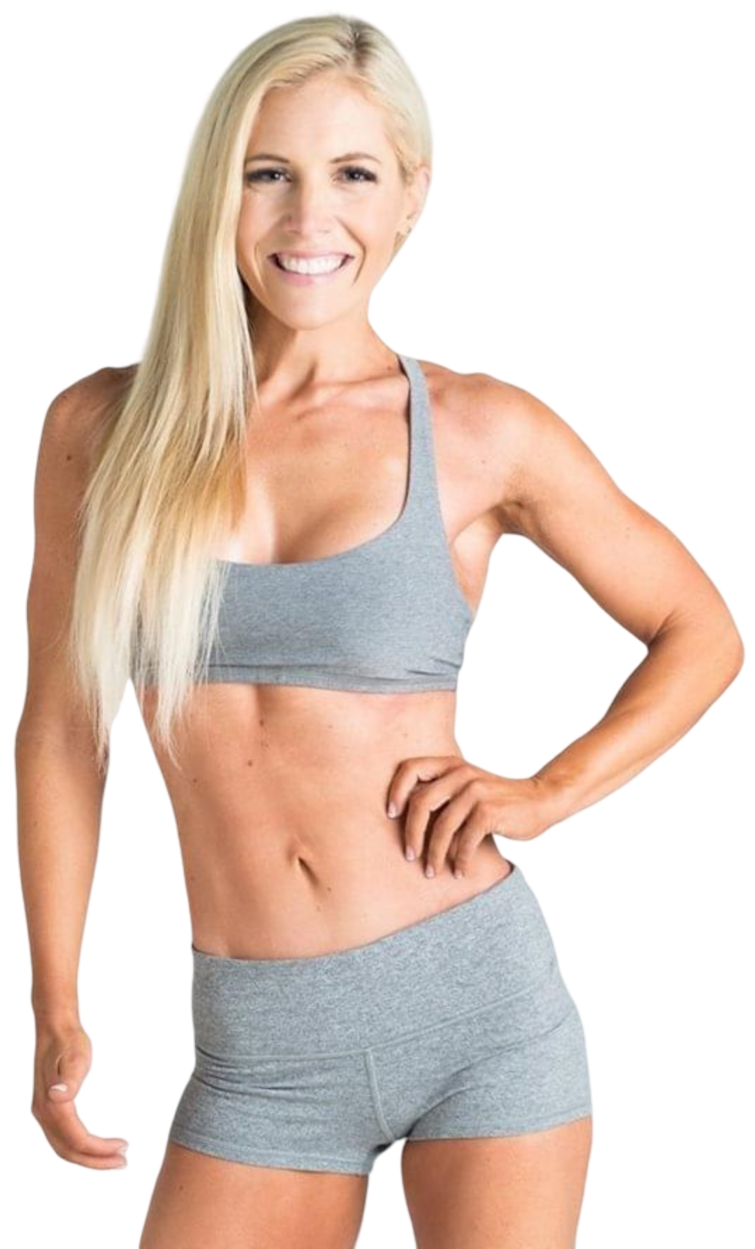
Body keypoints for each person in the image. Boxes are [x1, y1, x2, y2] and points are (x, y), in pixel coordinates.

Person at [17, 13, 745, 1249]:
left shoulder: (478, 427)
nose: (310, 217)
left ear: (411, 193)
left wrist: (547, 792)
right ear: (212, 190)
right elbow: (59, 730)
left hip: (475, 1006)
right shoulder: (99, 430)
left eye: (353, 173)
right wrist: (54, 997)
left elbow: (699, 627)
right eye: (268, 172)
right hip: (256, 1047)